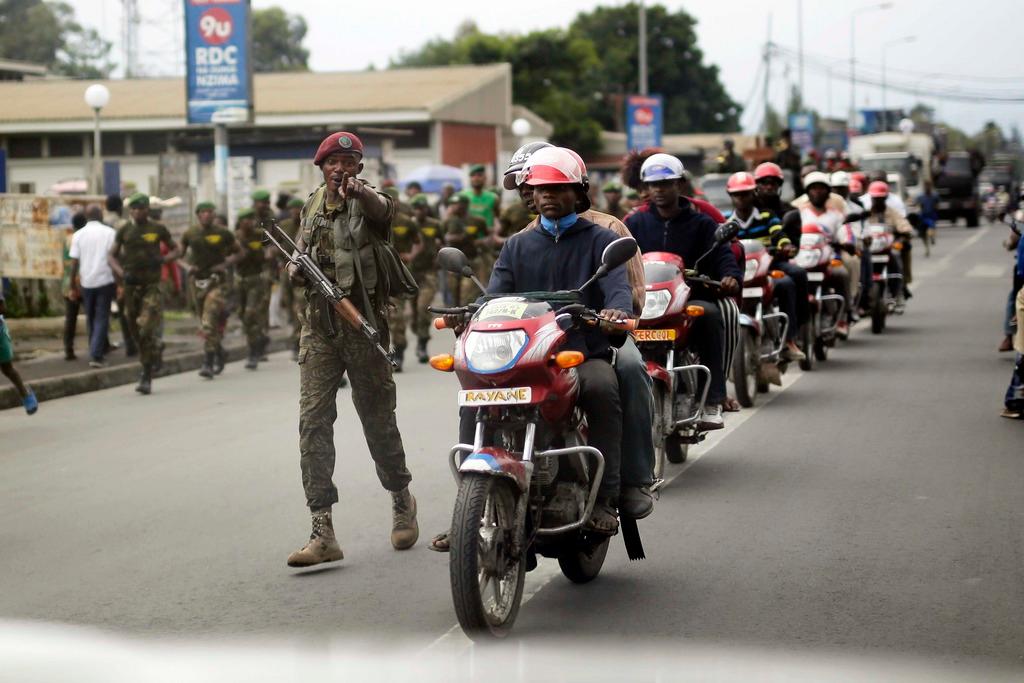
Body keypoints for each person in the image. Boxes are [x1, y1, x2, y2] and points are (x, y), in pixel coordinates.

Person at [458, 146, 634, 533]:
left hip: (579, 352)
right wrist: (470, 314)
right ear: (531, 195)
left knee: (603, 388)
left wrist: (614, 312)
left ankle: (606, 497)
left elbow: (618, 289)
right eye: (540, 189)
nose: (547, 196)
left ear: (579, 192)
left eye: (557, 188)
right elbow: (494, 296)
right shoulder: (517, 245)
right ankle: (469, 512)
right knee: (475, 398)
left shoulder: (600, 240)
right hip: (526, 358)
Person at [285, 131, 417, 566]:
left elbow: (384, 212)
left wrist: (362, 194)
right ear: (321, 167)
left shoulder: (370, 199)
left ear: (360, 167)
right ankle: (322, 529)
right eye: (332, 163)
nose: (339, 169)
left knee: (377, 420)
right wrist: (293, 266)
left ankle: (401, 497)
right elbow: (301, 248)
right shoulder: (311, 204)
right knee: (313, 423)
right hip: (319, 328)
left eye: (348, 162)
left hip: (365, 326)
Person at [626, 153, 742, 430]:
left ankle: (714, 398)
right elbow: (616, 255)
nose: (659, 190)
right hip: (645, 300)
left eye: (666, 183)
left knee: (712, 315)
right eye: (653, 185)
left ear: (679, 184)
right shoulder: (634, 223)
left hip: (690, 295)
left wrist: (729, 276)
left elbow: (723, 254)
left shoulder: (702, 222)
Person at [725, 172, 806, 362]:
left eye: (745, 194)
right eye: (737, 194)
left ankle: (789, 341)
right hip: (737, 271)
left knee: (788, 282)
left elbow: (779, 234)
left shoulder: (767, 216)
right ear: (731, 196)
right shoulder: (725, 221)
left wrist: (784, 245)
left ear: (753, 193)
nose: (741, 198)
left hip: (768, 265)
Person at [108, 192, 179, 395]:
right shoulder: (124, 230)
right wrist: (121, 274)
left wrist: (163, 260)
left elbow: (177, 249)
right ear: (130, 210)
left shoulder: (157, 229)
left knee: (146, 326)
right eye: (134, 208)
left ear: (148, 210)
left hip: (152, 286)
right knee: (135, 330)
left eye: (141, 208)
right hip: (131, 287)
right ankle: (155, 348)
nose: (138, 212)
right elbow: (111, 256)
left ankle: (146, 374)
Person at [179, 201, 241, 378]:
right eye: (203, 212)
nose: (206, 215)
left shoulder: (223, 233)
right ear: (197, 215)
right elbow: (178, 255)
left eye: (209, 212)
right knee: (206, 323)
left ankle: (208, 361)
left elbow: (239, 252)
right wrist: (186, 267)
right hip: (197, 283)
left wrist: (225, 264)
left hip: (217, 283)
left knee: (209, 321)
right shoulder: (190, 233)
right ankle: (220, 351)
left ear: (214, 215)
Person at [796, 172, 854, 337]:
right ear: (807, 192)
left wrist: (847, 242)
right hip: (802, 259)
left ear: (828, 192)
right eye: (813, 189)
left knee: (841, 273)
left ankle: (843, 317)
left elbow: (845, 232)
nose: (817, 192)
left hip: (828, 259)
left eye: (821, 189)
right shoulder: (799, 213)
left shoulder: (836, 215)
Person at [69, 205, 117, 368]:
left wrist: (72, 287)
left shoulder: (78, 235)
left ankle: (96, 350)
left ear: (87, 217)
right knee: (102, 316)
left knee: (91, 317)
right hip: (105, 279)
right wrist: (120, 282)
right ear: (100, 215)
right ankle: (96, 354)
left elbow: (74, 263)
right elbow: (115, 258)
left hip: (86, 282)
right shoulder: (110, 233)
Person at [384, 187, 419, 371]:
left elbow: (418, 242)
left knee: (397, 318)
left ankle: (399, 352)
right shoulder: (374, 221)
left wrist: (411, 255)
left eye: (394, 200)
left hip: (399, 277)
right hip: (379, 277)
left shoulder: (406, 222)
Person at [235, 208, 273, 370]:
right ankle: (260, 337)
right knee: (242, 314)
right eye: (245, 219)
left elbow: (272, 248)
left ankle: (253, 352)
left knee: (251, 313)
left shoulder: (260, 234)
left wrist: (268, 254)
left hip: (256, 279)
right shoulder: (235, 237)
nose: (248, 222)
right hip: (239, 280)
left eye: (251, 219)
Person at [408, 194, 443, 364]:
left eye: (422, 208)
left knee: (423, 308)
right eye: (416, 208)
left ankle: (422, 344)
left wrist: (440, 256)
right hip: (410, 272)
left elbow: (444, 243)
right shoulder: (408, 224)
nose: (419, 211)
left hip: (429, 272)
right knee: (414, 313)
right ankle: (418, 333)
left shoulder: (434, 225)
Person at [865, 181, 914, 301]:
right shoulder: (865, 213)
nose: (877, 201)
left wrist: (904, 234)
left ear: (886, 197)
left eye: (881, 198)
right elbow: (856, 228)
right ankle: (862, 294)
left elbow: (903, 225)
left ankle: (899, 285)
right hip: (870, 247)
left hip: (888, 248)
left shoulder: (892, 212)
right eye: (875, 198)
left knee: (897, 253)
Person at [443, 194, 489, 305]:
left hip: (470, 261)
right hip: (453, 264)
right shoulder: (448, 221)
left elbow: (488, 236)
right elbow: (443, 237)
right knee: (454, 294)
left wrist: (481, 241)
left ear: (464, 205)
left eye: (456, 204)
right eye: (452, 204)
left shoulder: (477, 221)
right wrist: (456, 238)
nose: (453, 207)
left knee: (467, 295)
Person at [276, 197, 307, 360]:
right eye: (291, 209)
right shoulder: (284, 226)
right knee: (288, 306)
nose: (294, 212)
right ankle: (295, 337)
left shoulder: (307, 225)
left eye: (297, 209)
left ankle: (298, 342)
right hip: (285, 270)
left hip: (302, 272)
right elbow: (274, 245)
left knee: (299, 306)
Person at [62, 212, 87, 361]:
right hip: (81, 282)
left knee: (70, 319)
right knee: (93, 316)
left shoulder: (66, 239)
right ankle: (100, 346)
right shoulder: (82, 238)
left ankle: (68, 349)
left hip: (67, 284)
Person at [774, 129, 804, 196]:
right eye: (784, 138)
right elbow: (777, 161)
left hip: (794, 176)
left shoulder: (794, 148)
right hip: (783, 175)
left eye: (787, 137)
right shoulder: (780, 148)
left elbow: (797, 161)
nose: (785, 139)